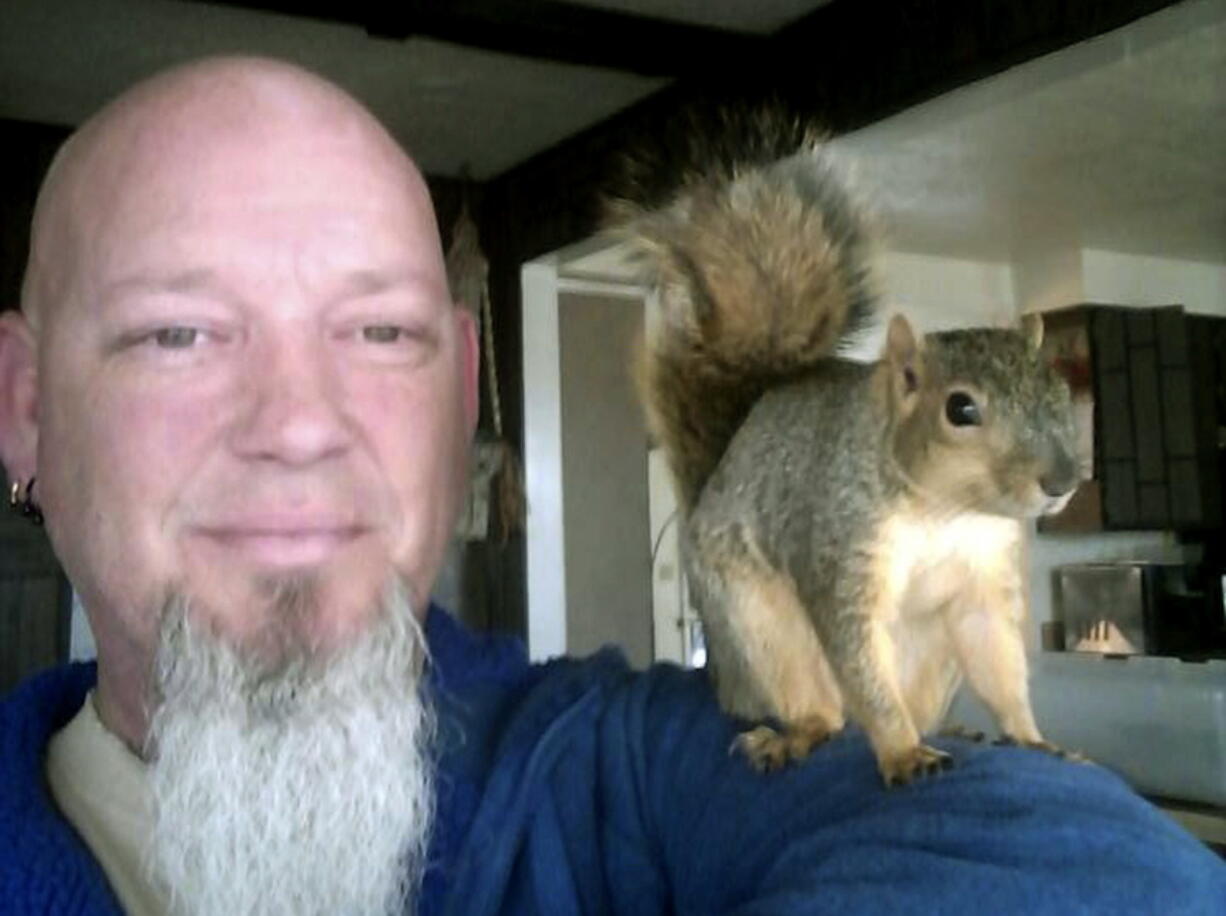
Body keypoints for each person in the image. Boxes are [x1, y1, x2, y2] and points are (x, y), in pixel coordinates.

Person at [0, 56, 1220, 916]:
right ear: (25, 406)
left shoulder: (602, 764)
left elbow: (1094, 865)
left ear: (458, 394)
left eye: (377, 334)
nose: (301, 426)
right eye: (176, 334)